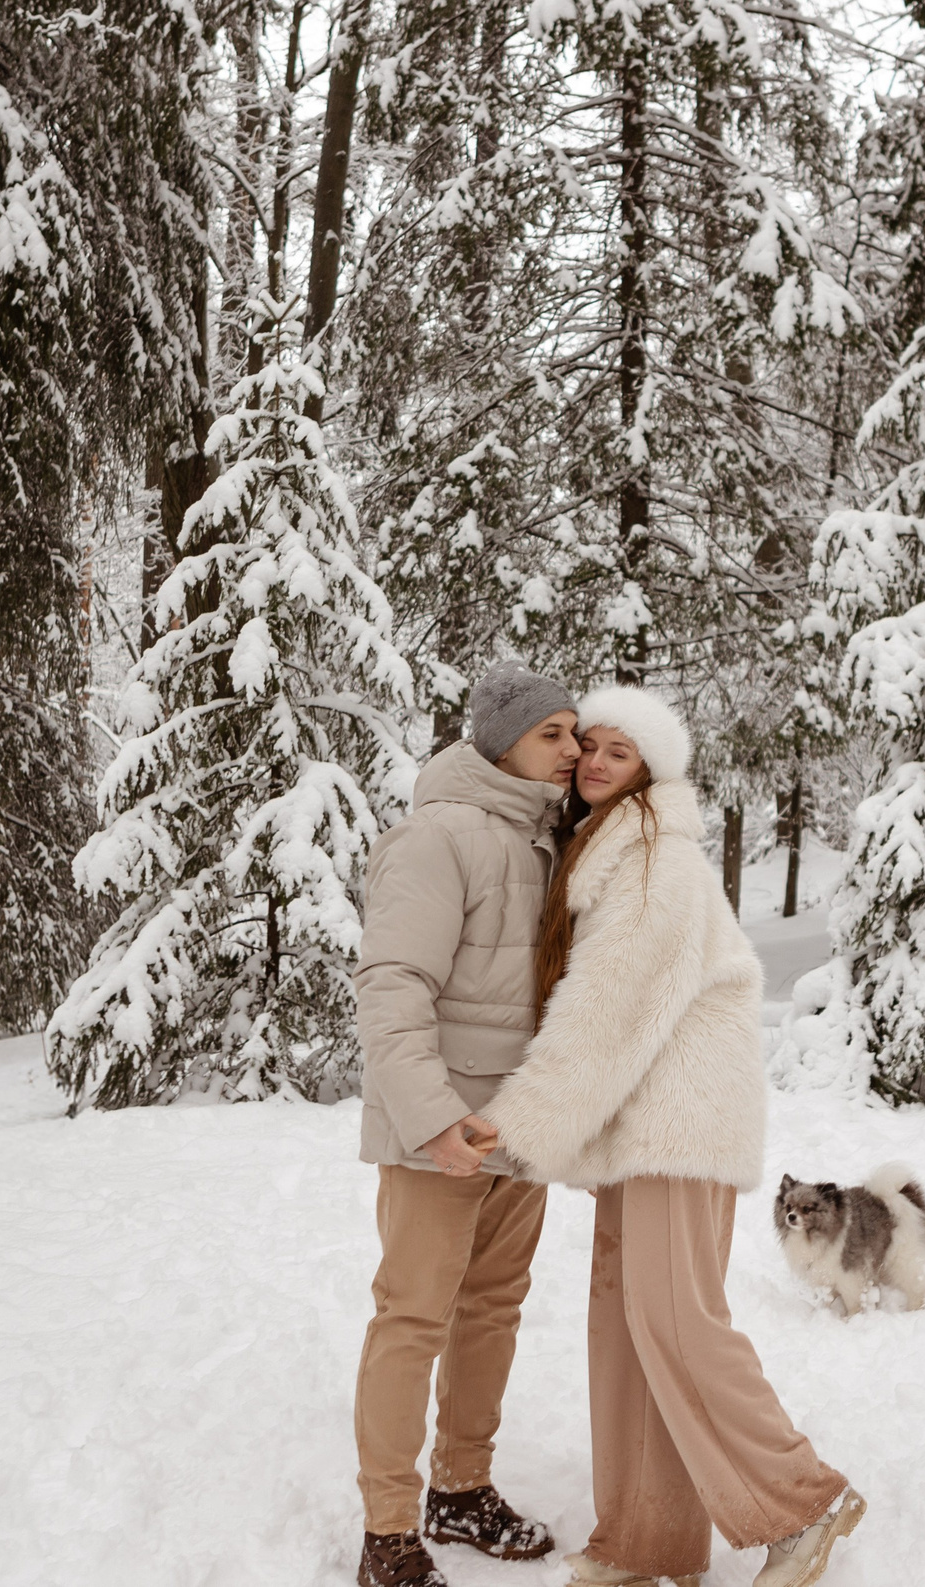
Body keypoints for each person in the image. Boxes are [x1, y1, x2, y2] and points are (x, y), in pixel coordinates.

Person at [485, 686, 865, 1587]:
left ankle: (804, 1499)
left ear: (650, 770)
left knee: (674, 1315)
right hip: (642, 1126)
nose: (595, 761)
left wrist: (522, 1122)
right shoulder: (603, 851)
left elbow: (610, 1009)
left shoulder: (656, 858)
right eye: (590, 746)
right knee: (626, 1323)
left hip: (681, 1122)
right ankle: (646, 1539)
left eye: (620, 751)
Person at [349, 661, 582, 1587]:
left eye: (574, 732)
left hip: (518, 1124)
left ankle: (462, 1487)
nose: (571, 750)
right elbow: (391, 984)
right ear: (501, 742)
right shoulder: (438, 836)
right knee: (413, 1315)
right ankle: (388, 1533)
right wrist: (432, 1119)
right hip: (439, 1131)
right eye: (552, 733)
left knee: (491, 1309)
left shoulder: (547, 839)